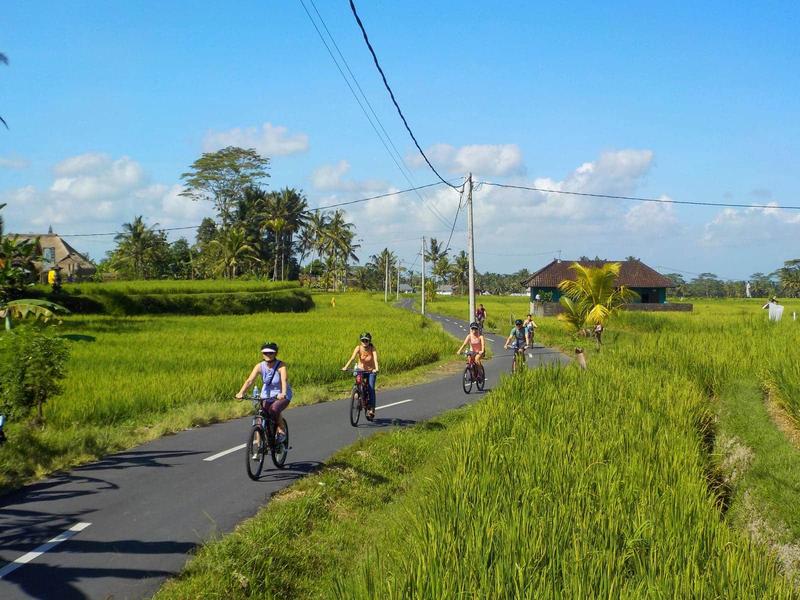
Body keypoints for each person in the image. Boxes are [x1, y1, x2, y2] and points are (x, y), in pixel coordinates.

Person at [236, 342, 291, 442]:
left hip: (281, 395)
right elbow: (250, 380)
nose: (268, 355)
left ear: (275, 353)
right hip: (266, 395)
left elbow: (283, 380)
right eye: (265, 353)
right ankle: (258, 445)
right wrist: (241, 392)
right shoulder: (259, 366)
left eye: (271, 353)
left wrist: (283, 393)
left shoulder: (281, 365)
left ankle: (281, 429)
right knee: (260, 417)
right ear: (262, 354)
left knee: (274, 409)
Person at [342, 332, 380, 420]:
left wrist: (376, 369)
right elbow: (352, 358)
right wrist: (345, 367)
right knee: (358, 382)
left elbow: (375, 359)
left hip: (371, 371)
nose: (364, 342)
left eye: (366, 340)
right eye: (362, 340)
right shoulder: (358, 348)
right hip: (360, 369)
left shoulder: (372, 348)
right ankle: (357, 392)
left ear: (369, 341)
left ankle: (371, 409)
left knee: (371, 389)